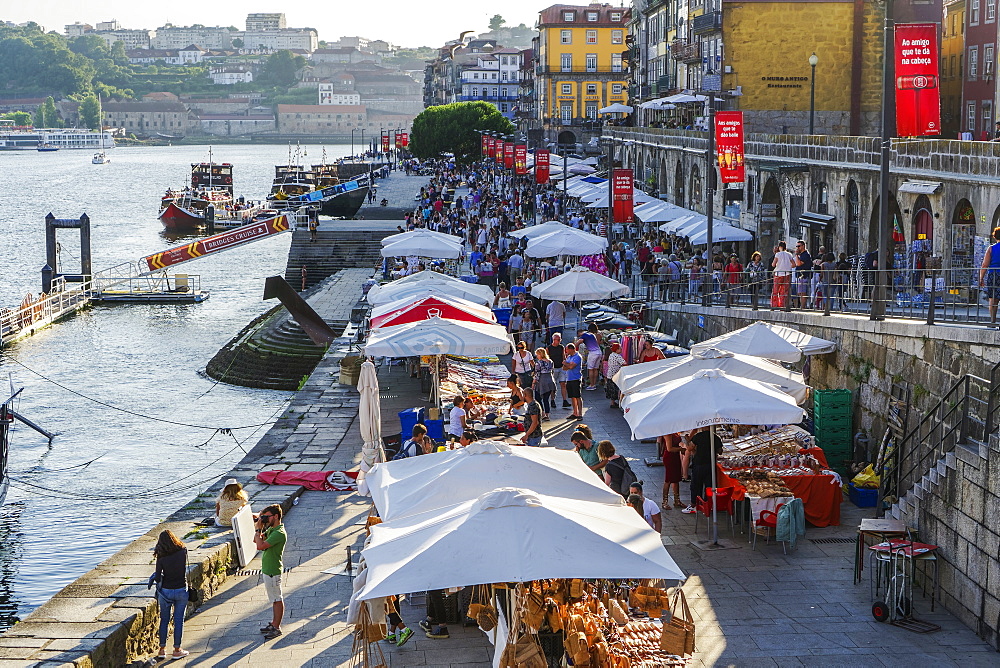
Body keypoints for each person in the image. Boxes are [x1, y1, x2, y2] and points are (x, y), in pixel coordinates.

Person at [151, 530, 190, 659]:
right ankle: (177, 650)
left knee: (164, 620)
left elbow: (157, 578)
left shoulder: (161, 557)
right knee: (178, 621)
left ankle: (162, 650)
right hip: (181, 590)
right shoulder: (182, 551)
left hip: (166, 592)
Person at [254, 504, 287, 639]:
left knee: (277, 599)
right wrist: (260, 528)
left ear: (276, 517)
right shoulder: (272, 529)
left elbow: (260, 546)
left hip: (273, 570)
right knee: (274, 599)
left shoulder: (279, 533)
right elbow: (255, 540)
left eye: (267, 517)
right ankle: (274, 624)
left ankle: (277, 627)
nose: (265, 519)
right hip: (269, 569)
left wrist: (258, 530)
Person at [680, 428, 722, 514]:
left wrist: (687, 440)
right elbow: (720, 451)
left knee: (696, 485)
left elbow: (689, 448)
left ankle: (694, 505)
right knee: (709, 486)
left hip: (699, 464)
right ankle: (708, 505)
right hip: (710, 464)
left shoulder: (698, 436)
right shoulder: (715, 437)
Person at [980, 226, 1000, 327]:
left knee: (993, 299)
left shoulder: (991, 249)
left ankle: (992, 321)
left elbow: (985, 265)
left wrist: (981, 278)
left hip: (994, 274)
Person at [659, 433, 685, 509]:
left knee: (676, 478)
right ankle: (665, 501)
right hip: (670, 457)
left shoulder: (675, 433)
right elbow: (669, 448)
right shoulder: (668, 434)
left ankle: (677, 500)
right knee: (668, 479)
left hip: (675, 456)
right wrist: (681, 449)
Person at [533, 347, 556, 420]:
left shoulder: (539, 363)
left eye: (537, 354)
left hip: (542, 381)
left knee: (538, 398)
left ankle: (542, 413)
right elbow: (552, 371)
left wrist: (534, 382)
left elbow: (538, 373)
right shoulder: (550, 361)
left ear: (541, 354)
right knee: (546, 399)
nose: (537, 356)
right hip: (549, 380)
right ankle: (547, 414)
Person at [578, 323, 603, 391]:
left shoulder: (584, 335)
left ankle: (591, 385)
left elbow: (579, 342)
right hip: (599, 352)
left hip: (593, 353)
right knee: (595, 369)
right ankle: (594, 384)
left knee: (590, 369)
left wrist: (573, 346)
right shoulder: (592, 335)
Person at [563, 343, 584, 420]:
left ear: (572, 349)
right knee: (572, 396)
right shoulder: (569, 357)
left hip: (576, 378)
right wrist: (567, 365)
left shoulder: (577, 357)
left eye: (567, 349)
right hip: (569, 378)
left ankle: (580, 413)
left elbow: (571, 366)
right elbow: (564, 368)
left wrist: (566, 364)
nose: (566, 351)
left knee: (577, 396)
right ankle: (575, 412)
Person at [771, 242, 795, 308]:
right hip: (787, 274)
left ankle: (774, 305)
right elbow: (793, 264)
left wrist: (779, 265)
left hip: (778, 274)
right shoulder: (789, 254)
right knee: (784, 292)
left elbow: (773, 264)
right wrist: (787, 266)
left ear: (779, 247)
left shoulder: (778, 254)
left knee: (775, 291)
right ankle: (783, 305)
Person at [547, 333, 568, 409]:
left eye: (560, 340)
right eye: (558, 340)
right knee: (553, 386)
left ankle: (564, 400)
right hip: (553, 368)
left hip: (561, 367)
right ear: (554, 340)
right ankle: (552, 400)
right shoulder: (549, 348)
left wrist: (565, 364)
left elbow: (563, 356)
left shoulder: (561, 347)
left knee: (563, 384)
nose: (559, 341)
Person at [604, 341, 627, 409]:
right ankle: (616, 402)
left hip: (610, 374)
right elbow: (624, 363)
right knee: (615, 389)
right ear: (617, 350)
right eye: (620, 348)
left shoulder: (611, 355)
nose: (621, 349)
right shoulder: (617, 356)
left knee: (611, 389)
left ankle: (612, 402)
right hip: (615, 375)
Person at [794, 240, 812, 309]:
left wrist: (796, 255)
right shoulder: (801, 255)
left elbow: (799, 263)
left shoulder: (805, 255)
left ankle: (803, 307)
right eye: (797, 246)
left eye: (799, 246)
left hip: (803, 276)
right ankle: (802, 306)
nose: (797, 248)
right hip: (800, 276)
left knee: (802, 293)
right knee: (800, 293)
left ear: (803, 246)